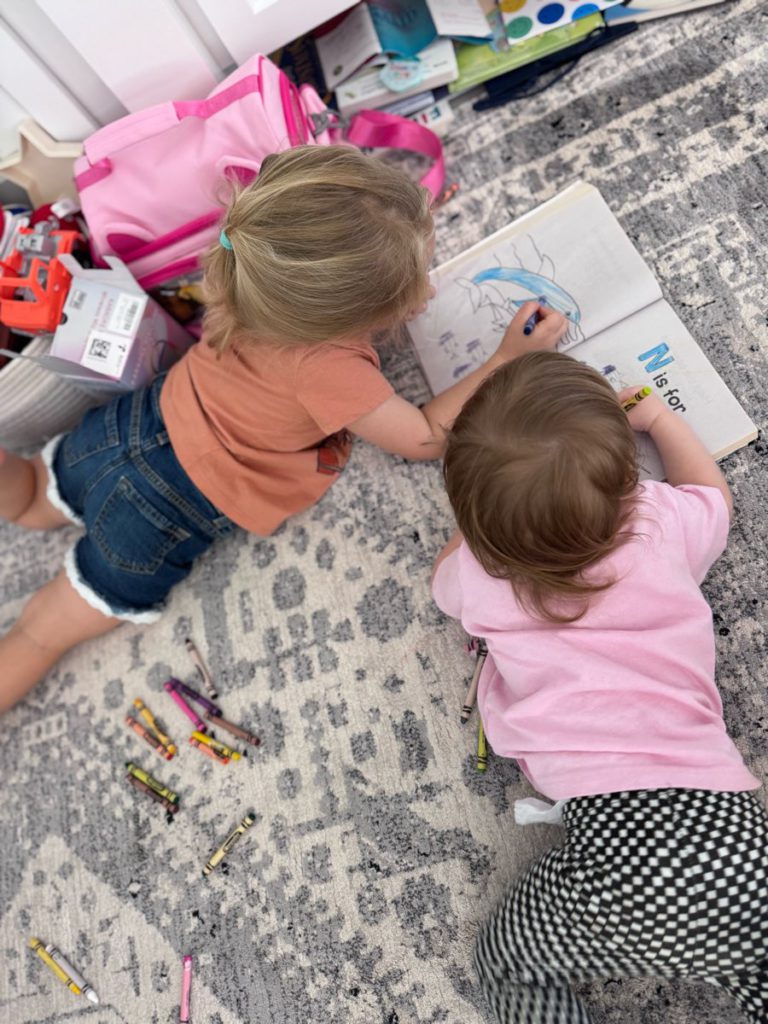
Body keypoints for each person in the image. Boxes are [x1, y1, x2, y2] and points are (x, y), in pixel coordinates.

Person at [0, 145, 567, 715]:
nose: (432, 287)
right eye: (420, 276)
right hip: (162, 511)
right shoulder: (329, 368)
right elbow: (422, 437)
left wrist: (389, 246)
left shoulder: (250, 275)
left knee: (29, 492)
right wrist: (504, 360)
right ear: (351, 315)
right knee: (38, 635)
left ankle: (26, 487)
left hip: (121, 431)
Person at [431, 350, 767, 1023]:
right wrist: (661, 420)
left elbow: (443, 579)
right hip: (741, 844)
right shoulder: (657, 523)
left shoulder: (481, 571)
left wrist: (480, 533)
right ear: (626, 486)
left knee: (506, 964)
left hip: (620, 870)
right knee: (748, 955)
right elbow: (713, 498)